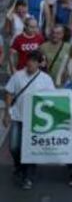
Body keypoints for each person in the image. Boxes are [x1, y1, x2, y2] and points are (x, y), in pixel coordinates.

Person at [3, 51, 55, 190]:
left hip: (35, 121)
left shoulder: (46, 79)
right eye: (29, 60)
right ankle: (19, 165)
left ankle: (28, 176)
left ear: (39, 63)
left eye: (33, 61)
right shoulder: (18, 75)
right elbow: (9, 92)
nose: (30, 63)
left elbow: (52, 98)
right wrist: (6, 113)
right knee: (14, 147)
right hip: (18, 117)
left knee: (30, 149)